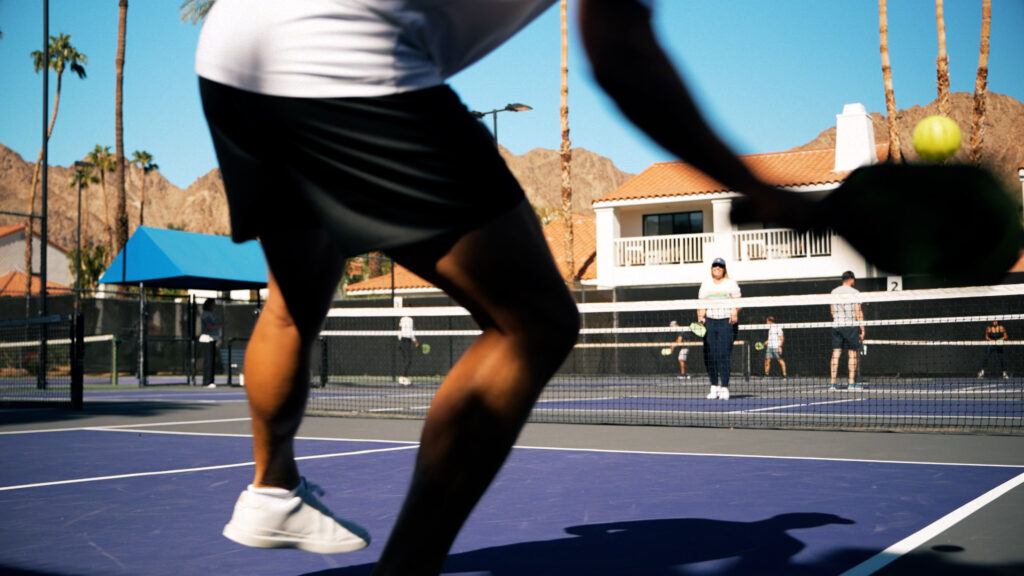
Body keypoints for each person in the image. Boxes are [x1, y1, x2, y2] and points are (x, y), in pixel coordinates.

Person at [195, 0, 791, 572]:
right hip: (339, 50)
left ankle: (271, 491)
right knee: (534, 321)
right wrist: (758, 189)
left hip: (230, 51)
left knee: (296, 297)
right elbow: (621, 56)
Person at [698, 258, 741, 400]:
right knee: (710, 355)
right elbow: (701, 303)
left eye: (720, 266)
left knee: (723, 355)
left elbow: (739, 301)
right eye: (715, 266)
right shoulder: (706, 284)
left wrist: (734, 312)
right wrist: (701, 316)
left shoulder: (731, 283)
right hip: (710, 322)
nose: (717, 268)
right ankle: (714, 386)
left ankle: (724, 388)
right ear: (711, 269)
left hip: (726, 322)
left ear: (724, 269)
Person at [829, 271, 864, 390]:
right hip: (850, 326)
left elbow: (832, 311)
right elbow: (858, 311)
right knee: (852, 354)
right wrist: (862, 328)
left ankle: (832, 384)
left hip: (837, 325)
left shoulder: (834, 292)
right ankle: (851, 383)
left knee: (836, 354)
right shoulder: (855, 293)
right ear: (851, 279)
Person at [199, 298, 221, 388]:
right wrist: (220, 325)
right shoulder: (206, 314)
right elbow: (209, 327)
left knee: (211, 360)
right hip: (207, 339)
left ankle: (210, 381)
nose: (214, 306)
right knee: (208, 361)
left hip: (211, 339)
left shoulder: (209, 314)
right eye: (213, 304)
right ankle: (207, 381)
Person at [397, 314, 419, 386]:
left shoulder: (402, 319)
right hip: (406, 341)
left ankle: (403, 377)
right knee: (408, 360)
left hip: (401, 341)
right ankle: (403, 377)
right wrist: (415, 341)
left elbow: (399, 329)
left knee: (405, 360)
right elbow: (410, 332)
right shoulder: (410, 320)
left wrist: (399, 340)